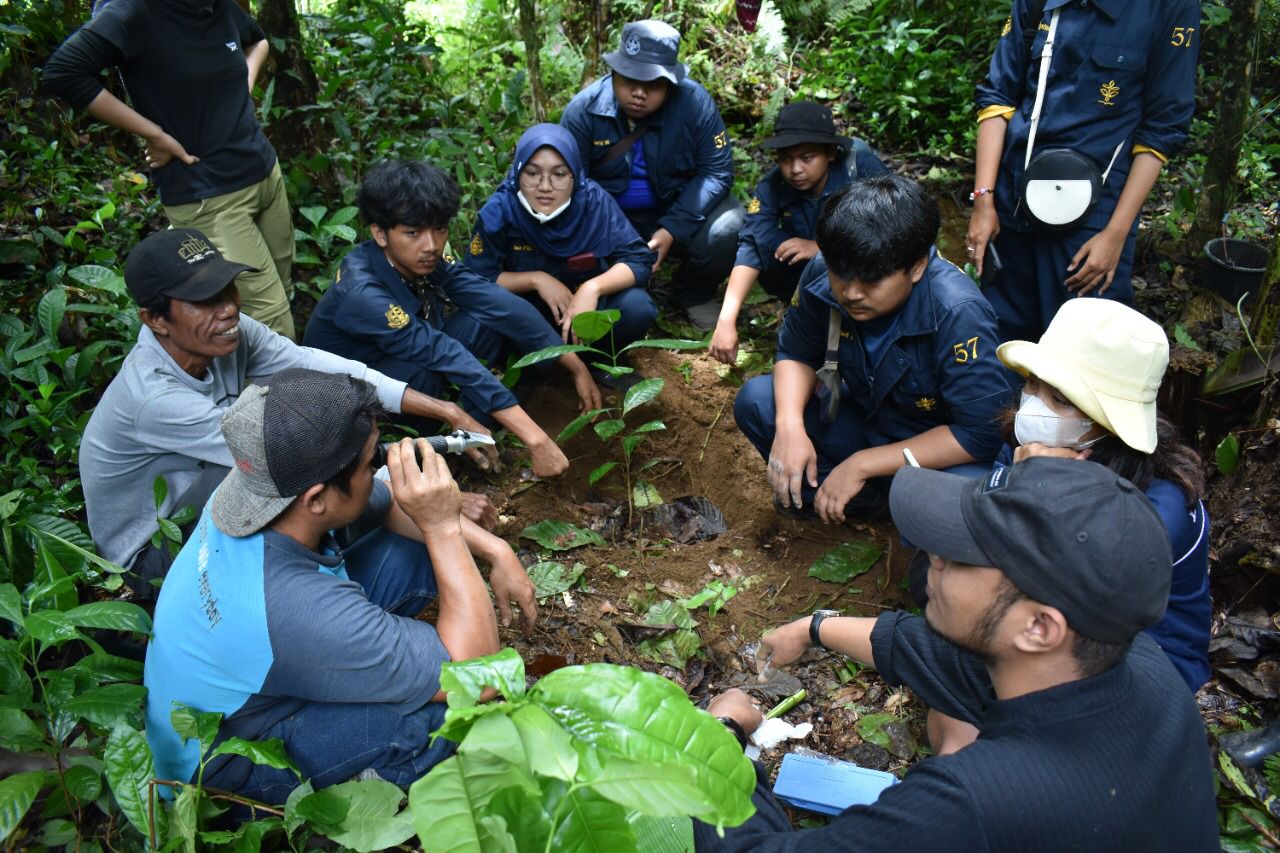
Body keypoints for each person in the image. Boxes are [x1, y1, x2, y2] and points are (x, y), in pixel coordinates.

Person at [696, 458, 1219, 850]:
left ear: (1039, 627)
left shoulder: (971, 804)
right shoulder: (1140, 667)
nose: (935, 558)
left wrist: (714, 743)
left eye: (963, 557)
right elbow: (935, 654)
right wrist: (815, 628)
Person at [80, 228, 521, 607]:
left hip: (211, 503)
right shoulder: (153, 398)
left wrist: (445, 409)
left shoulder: (226, 332)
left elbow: (315, 366)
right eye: (203, 300)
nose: (228, 308)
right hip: (155, 555)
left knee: (312, 459)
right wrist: (437, 509)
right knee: (284, 469)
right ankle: (308, 599)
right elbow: (287, 458)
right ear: (155, 319)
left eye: (227, 290)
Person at [144, 369, 503, 802]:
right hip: (221, 768)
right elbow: (479, 676)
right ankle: (339, 796)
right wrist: (443, 525)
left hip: (256, 678)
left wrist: (497, 551)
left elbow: (384, 501)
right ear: (316, 499)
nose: (384, 467)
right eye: (372, 463)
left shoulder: (261, 486)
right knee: (435, 720)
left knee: (416, 553)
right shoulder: (294, 608)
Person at [734, 175, 1011, 523]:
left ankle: (895, 508)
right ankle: (859, 503)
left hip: (932, 449)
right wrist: (790, 427)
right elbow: (796, 352)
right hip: (866, 420)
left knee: (963, 498)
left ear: (917, 267)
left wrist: (863, 464)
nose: (851, 293)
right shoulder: (822, 271)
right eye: (840, 274)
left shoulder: (957, 311)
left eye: (871, 279)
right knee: (759, 401)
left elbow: (980, 434)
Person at [44, 0, 298, 338]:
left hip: (263, 171)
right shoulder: (134, 11)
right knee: (270, 320)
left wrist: (243, 86)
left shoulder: (217, 6)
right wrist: (153, 134)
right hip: (209, 194)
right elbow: (64, 72)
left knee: (283, 292)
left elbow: (258, 40)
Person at [303, 160, 595, 448]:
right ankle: (433, 449)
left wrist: (572, 363)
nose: (431, 245)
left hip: (402, 363)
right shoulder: (362, 292)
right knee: (426, 373)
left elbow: (495, 301)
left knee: (484, 323)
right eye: (413, 233)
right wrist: (535, 438)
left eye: (439, 229)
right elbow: (440, 351)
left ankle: (474, 434)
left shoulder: (419, 259)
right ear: (380, 234)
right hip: (346, 407)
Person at [965, 0, 1199, 343]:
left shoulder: (1169, 6)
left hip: (1091, 222)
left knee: (1082, 350)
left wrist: (1115, 235)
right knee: (1002, 342)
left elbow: (1163, 127)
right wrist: (983, 201)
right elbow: (998, 95)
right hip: (1012, 204)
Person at [560, 19, 743, 330]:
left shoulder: (694, 104)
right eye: (629, 80)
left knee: (730, 226)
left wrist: (671, 228)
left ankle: (692, 293)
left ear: (670, 82)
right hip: (609, 218)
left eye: (652, 84)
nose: (638, 93)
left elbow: (717, 171)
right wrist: (614, 234)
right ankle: (619, 288)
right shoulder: (584, 111)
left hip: (675, 208)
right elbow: (572, 186)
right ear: (614, 73)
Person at [464, 123, 657, 387]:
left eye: (559, 174)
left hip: (584, 320)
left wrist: (592, 289)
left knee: (637, 305)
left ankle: (596, 362)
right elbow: (475, 278)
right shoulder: (501, 209)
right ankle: (522, 373)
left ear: (575, 175)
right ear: (518, 172)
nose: (545, 186)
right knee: (479, 319)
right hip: (524, 320)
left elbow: (638, 259)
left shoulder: (593, 203)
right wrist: (536, 280)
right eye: (532, 173)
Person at [710, 101, 890, 365]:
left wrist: (820, 248)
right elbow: (751, 243)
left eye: (807, 158)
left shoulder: (861, 169)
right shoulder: (773, 185)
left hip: (861, 275)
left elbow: (893, 229)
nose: (795, 169)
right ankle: (806, 317)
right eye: (786, 159)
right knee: (764, 245)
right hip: (805, 279)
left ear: (830, 153)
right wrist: (726, 320)